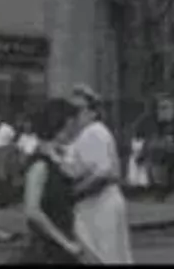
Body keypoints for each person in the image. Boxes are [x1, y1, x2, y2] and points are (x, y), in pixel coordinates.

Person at [66, 84, 133, 264]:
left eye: (78, 110)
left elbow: (102, 174)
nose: (73, 115)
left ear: (93, 112)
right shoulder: (85, 134)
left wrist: (72, 194)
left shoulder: (94, 132)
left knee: (102, 255)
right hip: (93, 204)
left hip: (99, 204)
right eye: (70, 110)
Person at [21, 98, 91, 265]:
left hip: (63, 248)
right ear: (62, 126)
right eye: (72, 125)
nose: (75, 130)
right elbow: (32, 211)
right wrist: (65, 243)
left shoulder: (57, 162)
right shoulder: (40, 165)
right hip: (46, 251)